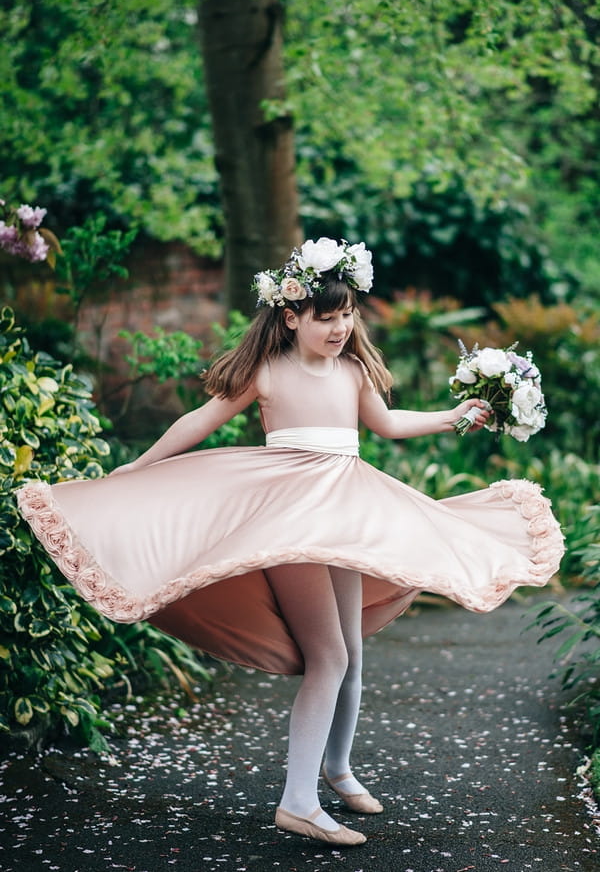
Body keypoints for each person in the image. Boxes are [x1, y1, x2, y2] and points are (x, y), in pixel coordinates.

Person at [18, 237, 564, 848]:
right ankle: (297, 802)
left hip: (347, 511)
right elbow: (198, 422)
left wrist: (454, 415)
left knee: (352, 653)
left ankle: (336, 770)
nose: (338, 327)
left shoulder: (353, 371)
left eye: (347, 314)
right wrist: (137, 468)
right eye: (324, 317)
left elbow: (387, 424)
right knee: (327, 657)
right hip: (289, 520)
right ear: (290, 315)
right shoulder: (267, 372)